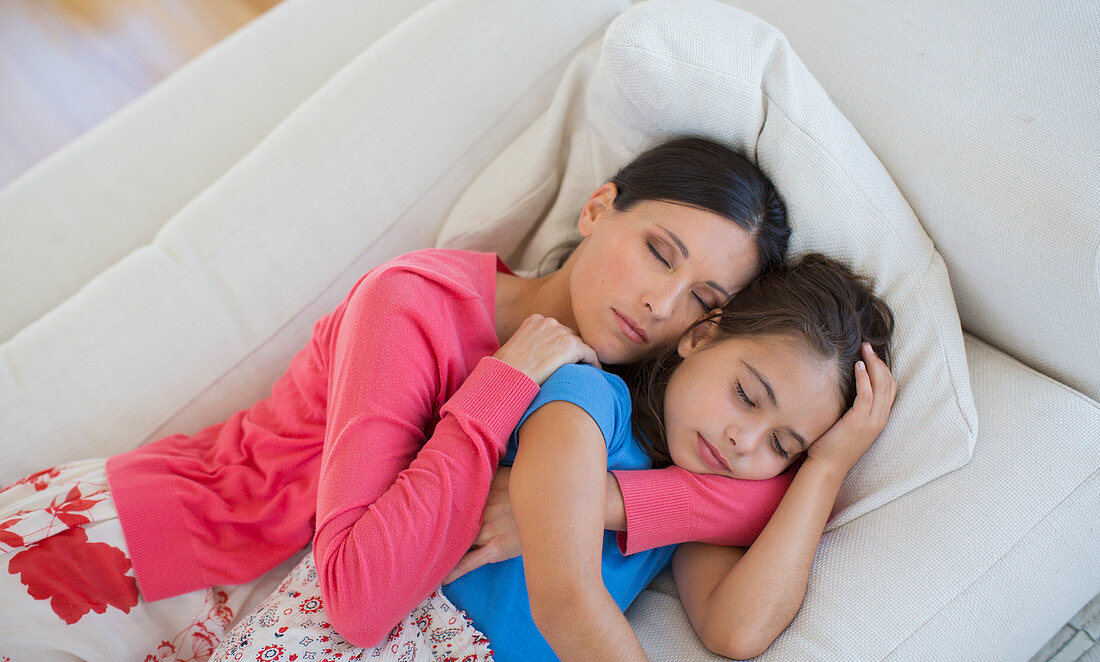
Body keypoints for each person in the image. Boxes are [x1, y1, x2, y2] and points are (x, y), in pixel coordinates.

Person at [0, 137, 800, 661]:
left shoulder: (608, 403)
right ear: (597, 209)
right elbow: (356, 596)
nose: (662, 305)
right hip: (149, 557)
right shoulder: (417, 303)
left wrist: (592, 503)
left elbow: (742, 499)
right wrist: (505, 378)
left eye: (702, 300)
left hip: (274, 622)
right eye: (658, 253)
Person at [212, 252, 896, 662]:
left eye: (784, 445)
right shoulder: (583, 400)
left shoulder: (690, 494)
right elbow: (564, 596)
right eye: (747, 395)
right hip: (379, 639)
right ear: (702, 336)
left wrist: (828, 467)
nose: (747, 441)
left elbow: (738, 628)